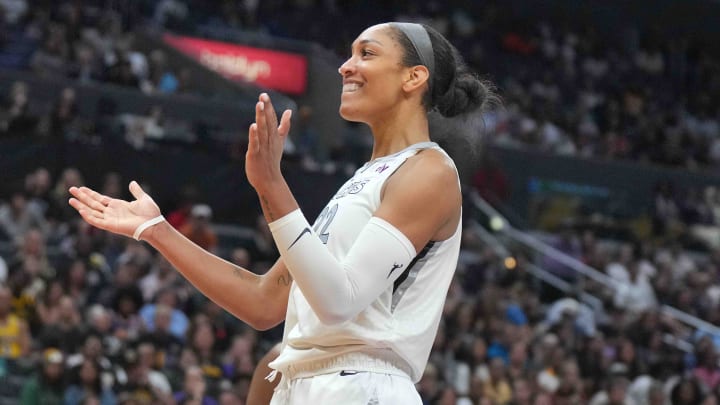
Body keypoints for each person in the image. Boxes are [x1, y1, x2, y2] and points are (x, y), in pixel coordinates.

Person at [68, 21, 495, 404]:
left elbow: (337, 302)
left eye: (367, 53)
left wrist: (271, 185)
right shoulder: (362, 180)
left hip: (364, 386)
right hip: (307, 384)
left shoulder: (429, 170)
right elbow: (262, 302)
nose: (346, 67)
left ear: (413, 77)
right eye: (348, 54)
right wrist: (155, 229)